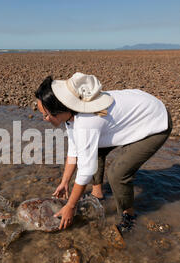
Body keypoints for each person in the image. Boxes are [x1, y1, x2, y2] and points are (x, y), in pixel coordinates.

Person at [34, 72, 172, 235]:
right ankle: (97, 193)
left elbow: (85, 170)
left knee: (117, 174)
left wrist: (70, 206)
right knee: (93, 150)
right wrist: (65, 181)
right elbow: (75, 149)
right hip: (137, 113)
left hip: (156, 121)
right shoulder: (72, 113)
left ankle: (128, 215)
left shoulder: (87, 122)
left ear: (60, 109)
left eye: (46, 115)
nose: (44, 119)